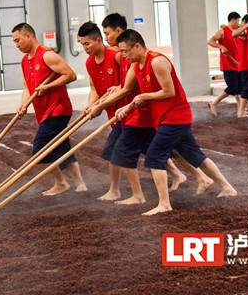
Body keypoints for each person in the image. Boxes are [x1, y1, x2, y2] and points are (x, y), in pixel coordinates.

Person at [104, 29, 237, 215]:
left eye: (126, 51)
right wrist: (127, 108)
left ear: (137, 46)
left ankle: (164, 204)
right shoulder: (136, 65)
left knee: (154, 156)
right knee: (195, 156)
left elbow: (169, 91)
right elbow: (129, 91)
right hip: (164, 117)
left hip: (175, 116)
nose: (124, 55)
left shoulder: (157, 61)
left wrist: (144, 96)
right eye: (121, 52)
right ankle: (227, 187)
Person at [98, 14, 212, 203]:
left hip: (146, 114)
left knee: (137, 152)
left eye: (107, 33)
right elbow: (126, 86)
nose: (106, 38)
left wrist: (103, 106)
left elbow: (152, 90)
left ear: (120, 32)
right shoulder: (131, 57)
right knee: (168, 150)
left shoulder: (147, 59)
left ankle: (142, 197)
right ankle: (202, 178)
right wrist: (108, 98)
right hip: (145, 113)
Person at [12, 23, 86, 195]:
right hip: (43, 111)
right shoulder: (25, 61)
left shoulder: (47, 55)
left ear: (28, 36)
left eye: (18, 40)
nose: (17, 45)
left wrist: (48, 87)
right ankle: (81, 184)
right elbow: (27, 87)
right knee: (62, 147)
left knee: (40, 147)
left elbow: (71, 75)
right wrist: (23, 104)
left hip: (58, 108)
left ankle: (61, 183)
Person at [78, 21, 124, 200]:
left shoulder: (117, 56)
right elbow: (94, 89)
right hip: (112, 113)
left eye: (87, 44)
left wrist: (99, 106)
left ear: (98, 40)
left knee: (115, 150)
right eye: (82, 45)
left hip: (126, 111)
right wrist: (90, 105)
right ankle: (178, 175)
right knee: (149, 147)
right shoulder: (89, 63)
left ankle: (115, 190)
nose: (85, 48)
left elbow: (126, 86)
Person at [208, 12, 242, 117]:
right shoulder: (222, 32)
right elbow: (210, 41)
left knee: (239, 88)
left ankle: (240, 110)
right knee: (232, 87)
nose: (238, 23)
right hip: (228, 64)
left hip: (238, 63)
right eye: (237, 21)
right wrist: (221, 47)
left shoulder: (237, 32)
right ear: (232, 20)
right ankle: (214, 103)